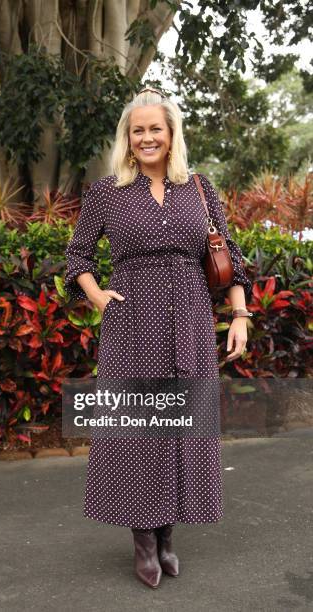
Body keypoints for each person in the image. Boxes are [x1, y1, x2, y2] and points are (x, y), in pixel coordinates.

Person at [64, 87, 253, 589]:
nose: (147, 137)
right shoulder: (107, 193)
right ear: (127, 139)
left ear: (172, 136)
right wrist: (99, 296)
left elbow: (227, 257)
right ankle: (143, 541)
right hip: (132, 330)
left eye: (155, 129)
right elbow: (78, 257)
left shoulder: (199, 188)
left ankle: (168, 535)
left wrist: (239, 315)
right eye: (137, 130)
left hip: (190, 326)